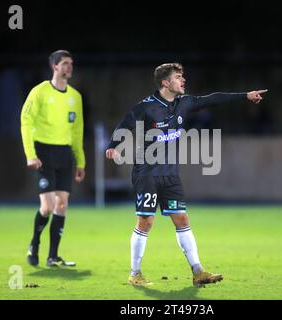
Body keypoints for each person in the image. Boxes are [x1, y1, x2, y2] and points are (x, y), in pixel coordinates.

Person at [105, 63, 267, 286]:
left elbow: (213, 98)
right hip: (147, 173)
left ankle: (198, 271)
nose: (183, 80)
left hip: (170, 174)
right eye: (178, 77)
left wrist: (245, 96)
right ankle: (135, 273)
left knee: (181, 219)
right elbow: (125, 123)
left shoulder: (184, 103)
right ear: (165, 83)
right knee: (145, 221)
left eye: (183, 76)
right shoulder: (146, 107)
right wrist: (113, 145)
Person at [20, 50, 86, 267]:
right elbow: (26, 121)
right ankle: (34, 244)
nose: (69, 67)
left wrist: (80, 161)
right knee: (47, 206)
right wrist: (30, 154)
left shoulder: (75, 97)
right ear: (54, 67)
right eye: (65, 63)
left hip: (65, 154)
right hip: (43, 152)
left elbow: (77, 131)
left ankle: (53, 256)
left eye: (71, 63)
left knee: (62, 204)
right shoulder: (39, 92)